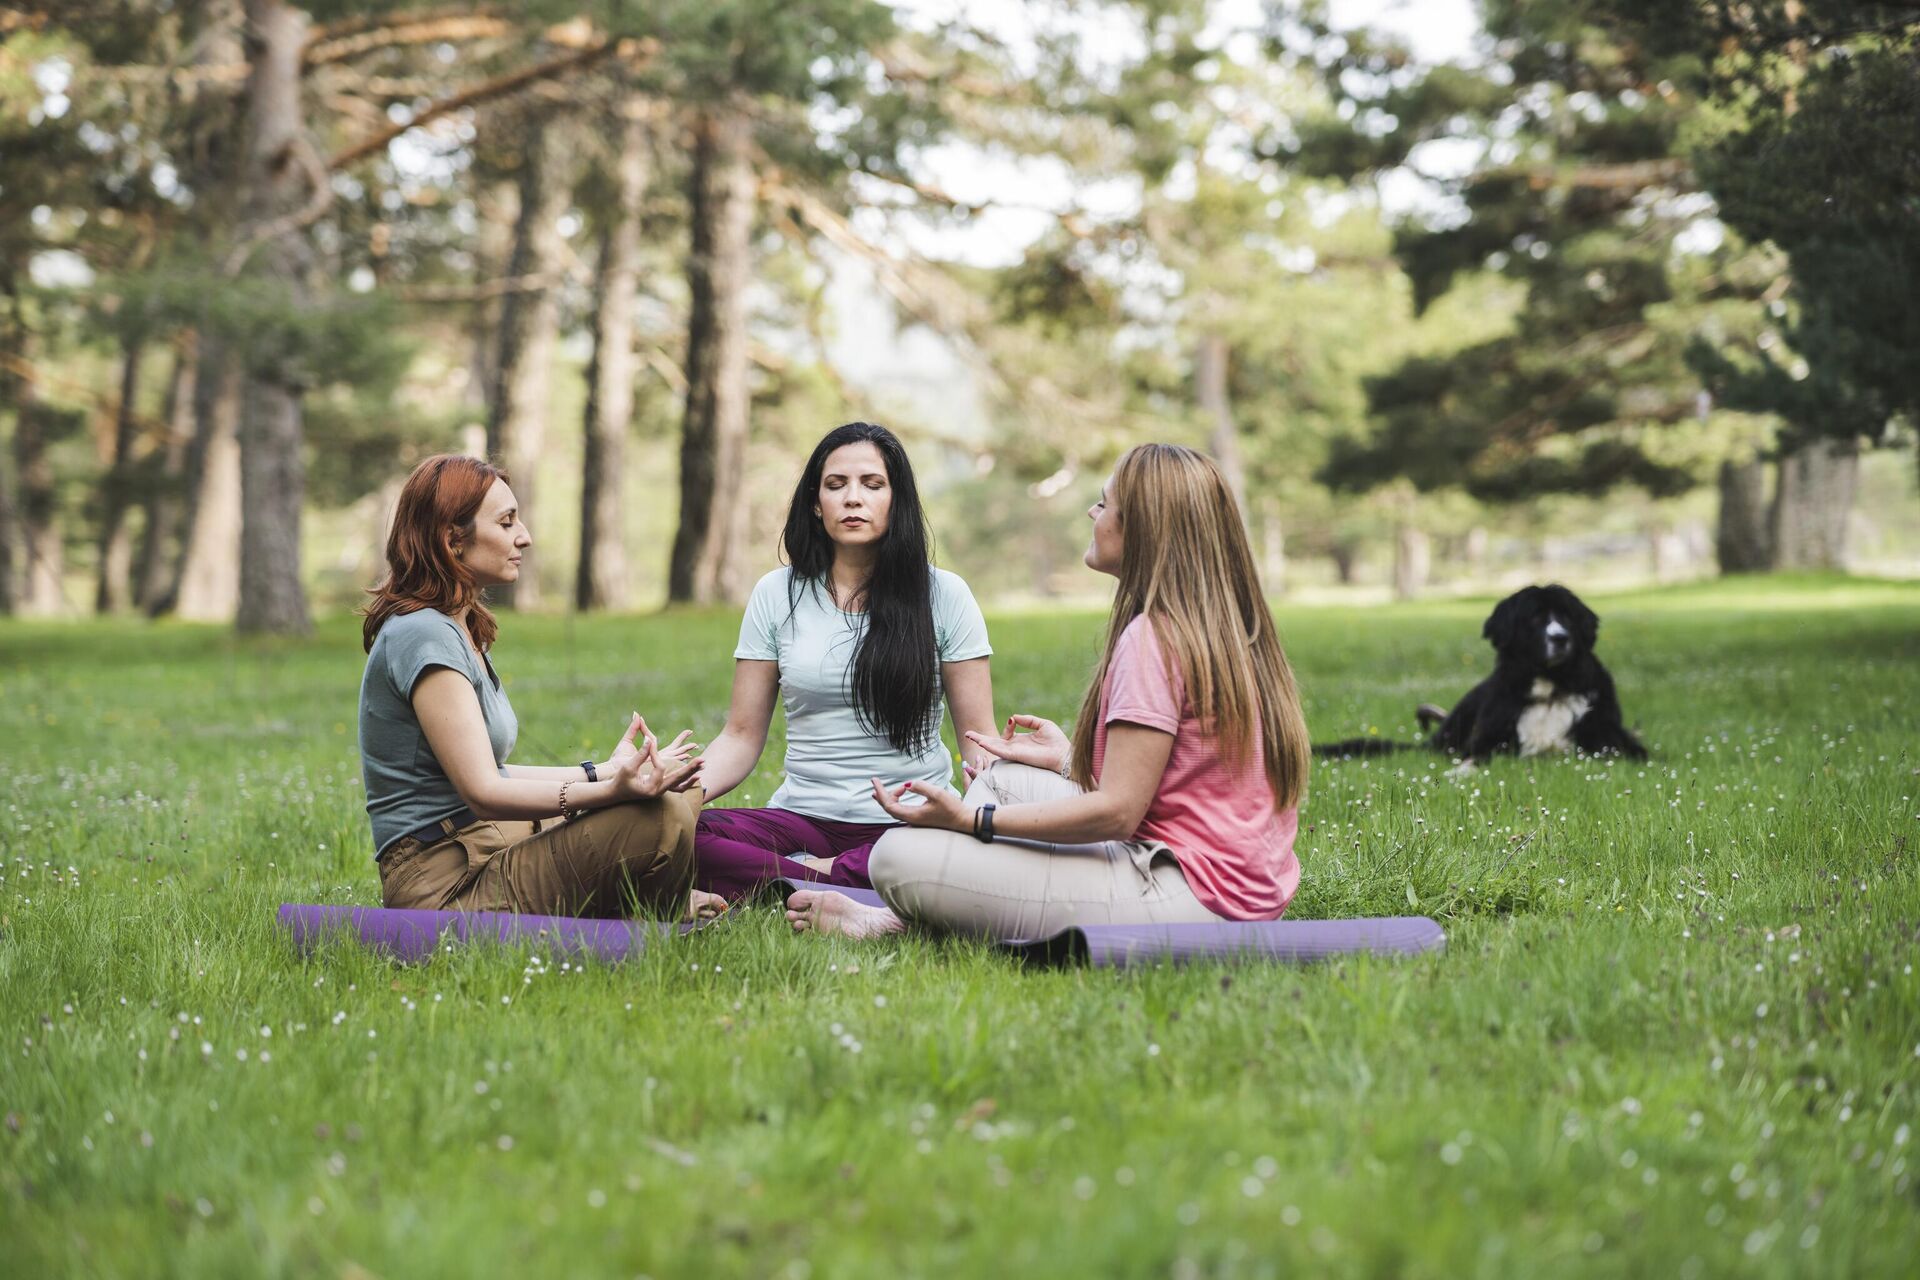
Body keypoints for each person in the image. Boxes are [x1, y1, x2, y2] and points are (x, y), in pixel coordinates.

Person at [786, 442, 1310, 940]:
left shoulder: (1153, 638)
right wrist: (1065, 761)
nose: (1092, 513)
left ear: (1142, 529)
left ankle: (895, 920)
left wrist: (971, 821)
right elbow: (1182, 782)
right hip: (1238, 882)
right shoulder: (1218, 622)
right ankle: (948, 900)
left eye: (1105, 504)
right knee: (1005, 778)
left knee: (894, 858)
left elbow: (1117, 814)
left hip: (1193, 896)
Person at [359, 454, 723, 921]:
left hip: (489, 838)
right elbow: (484, 790)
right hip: (446, 881)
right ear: (453, 540)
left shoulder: (457, 625)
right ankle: (658, 912)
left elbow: (495, 770)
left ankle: (649, 905)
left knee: (677, 797)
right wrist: (611, 793)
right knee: (662, 817)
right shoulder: (421, 634)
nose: (524, 536)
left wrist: (605, 772)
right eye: (507, 522)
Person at [692, 422, 997, 900]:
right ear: (816, 503)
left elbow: (980, 741)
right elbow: (740, 735)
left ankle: (789, 879)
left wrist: (982, 817)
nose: (853, 498)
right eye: (836, 486)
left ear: (897, 500)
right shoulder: (776, 593)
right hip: (802, 821)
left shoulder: (946, 595)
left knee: (947, 854)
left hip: (909, 822)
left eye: (872, 485)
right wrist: (678, 798)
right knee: (683, 839)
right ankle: (835, 878)